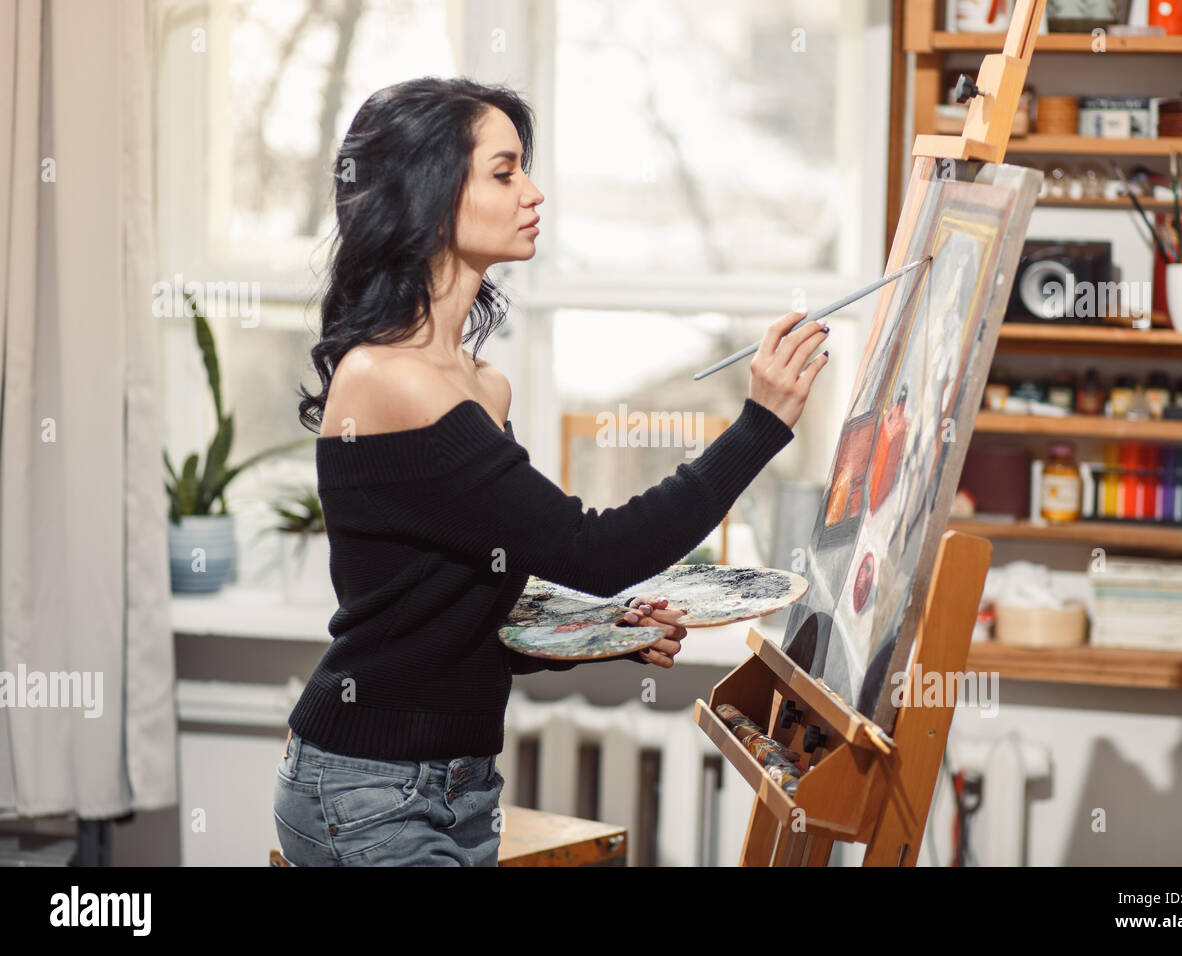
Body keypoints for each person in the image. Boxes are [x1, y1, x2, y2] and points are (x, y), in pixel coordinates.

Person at [273, 76, 830, 866]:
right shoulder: (386, 380)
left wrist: (596, 633)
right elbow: (593, 551)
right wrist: (761, 426)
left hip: (462, 787)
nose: (533, 193)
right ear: (432, 195)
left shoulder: (479, 383)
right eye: (505, 172)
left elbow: (464, 603)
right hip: (365, 788)